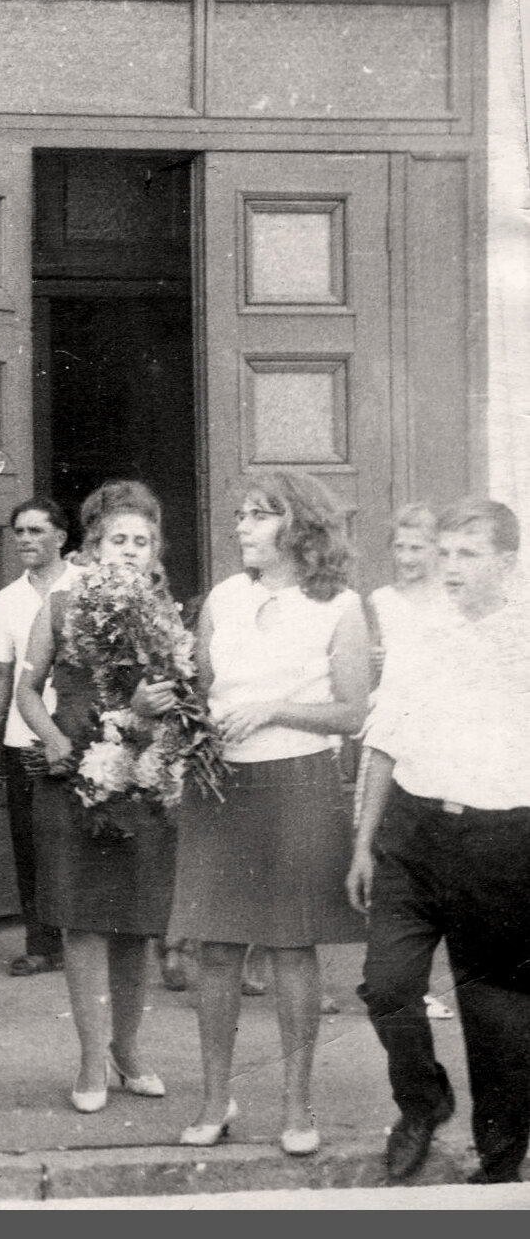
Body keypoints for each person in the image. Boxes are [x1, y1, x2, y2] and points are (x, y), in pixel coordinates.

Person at [168, 471, 368, 1156]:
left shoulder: (339, 605)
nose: (241, 527)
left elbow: (352, 710)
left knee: (290, 946)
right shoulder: (223, 598)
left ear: (298, 525)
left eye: (259, 515)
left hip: (299, 781)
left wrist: (274, 709)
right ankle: (214, 1099)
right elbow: (198, 690)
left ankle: (296, 1105)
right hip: (220, 785)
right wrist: (162, 708)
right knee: (216, 947)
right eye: (240, 514)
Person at [349, 498, 530, 1186]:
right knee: (387, 985)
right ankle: (421, 1102)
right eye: (444, 552)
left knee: (495, 1012)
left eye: (467, 554)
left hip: (500, 842)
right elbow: (384, 738)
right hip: (412, 834)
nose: (450, 566)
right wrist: (363, 841)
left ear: (506, 562)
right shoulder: (419, 631)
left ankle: (499, 1161)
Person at [14, 480, 178, 1117]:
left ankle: (127, 1050)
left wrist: (155, 714)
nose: (130, 550)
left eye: (142, 541)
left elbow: (181, 695)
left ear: (154, 551)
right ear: (94, 547)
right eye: (118, 540)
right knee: (83, 923)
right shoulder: (60, 606)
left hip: (140, 776)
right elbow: (28, 691)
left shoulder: (164, 617)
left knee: (136, 925)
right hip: (73, 775)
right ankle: (90, 1059)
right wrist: (54, 739)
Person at [361, 503, 455, 1022]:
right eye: (399, 547)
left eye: (417, 547)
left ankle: (420, 981)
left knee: (432, 860)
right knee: (384, 848)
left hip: (436, 734)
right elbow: (374, 665)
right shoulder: (382, 599)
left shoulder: (450, 599)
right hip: (391, 730)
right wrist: (377, 662)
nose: (406, 557)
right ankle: (393, 971)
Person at [0, 497, 78, 978]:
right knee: (31, 844)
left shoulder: (87, 586)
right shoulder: (7, 599)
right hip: (25, 740)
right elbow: (0, 673)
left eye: (36, 530)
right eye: (19, 531)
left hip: (83, 735)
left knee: (84, 839)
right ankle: (42, 944)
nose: (24, 539)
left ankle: (88, 939)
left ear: (61, 536)